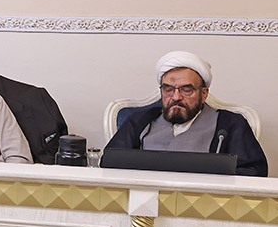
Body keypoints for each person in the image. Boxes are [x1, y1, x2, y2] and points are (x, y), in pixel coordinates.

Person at [105, 51, 267, 177]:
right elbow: (110, 162)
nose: (176, 97)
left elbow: (254, 172)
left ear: (204, 93)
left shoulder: (230, 125)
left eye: (186, 89)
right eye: (168, 89)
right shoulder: (140, 121)